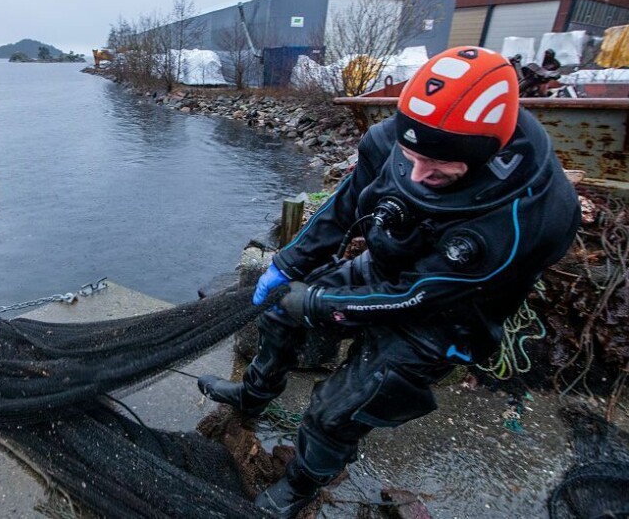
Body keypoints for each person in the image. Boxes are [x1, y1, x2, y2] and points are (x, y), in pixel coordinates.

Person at [197, 47, 581, 518]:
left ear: (484, 156)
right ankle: (254, 394)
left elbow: (417, 297)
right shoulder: (393, 142)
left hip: (446, 319)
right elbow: (347, 202)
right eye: (411, 158)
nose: (417, 176)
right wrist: (291, 262)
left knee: (333, 413)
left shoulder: (527, 219)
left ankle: (299, 486)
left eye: (438, 170)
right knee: (279, 311)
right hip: (386, 266)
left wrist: (318, 304)